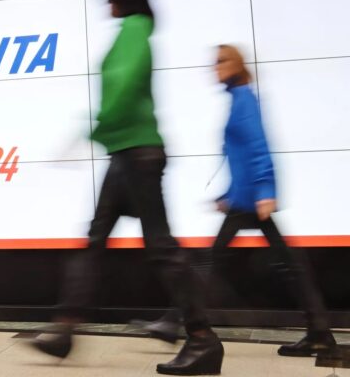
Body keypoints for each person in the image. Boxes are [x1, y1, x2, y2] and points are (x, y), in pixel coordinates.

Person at [31, 0, 224, 376]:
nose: (107, 5)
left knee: (160, 248)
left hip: (137, 154)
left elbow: (123, 83)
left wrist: (96, 128)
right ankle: (64, 328)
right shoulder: (132, 30)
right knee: (96, 240)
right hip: (125, 153)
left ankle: (202, 339)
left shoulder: (135, 29)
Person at [134, 45, 336, 357]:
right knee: (289, 265)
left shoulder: (243, 99)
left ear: (236, 65)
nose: (215, 67)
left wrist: (265, 189)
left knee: (211, 262)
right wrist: (228, 194)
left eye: (221, 61)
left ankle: (174, 321)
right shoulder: (238, 98)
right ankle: (319, 332)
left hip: (252, 199)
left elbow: (258, 146)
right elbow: (240, 156)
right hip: (244, 198)